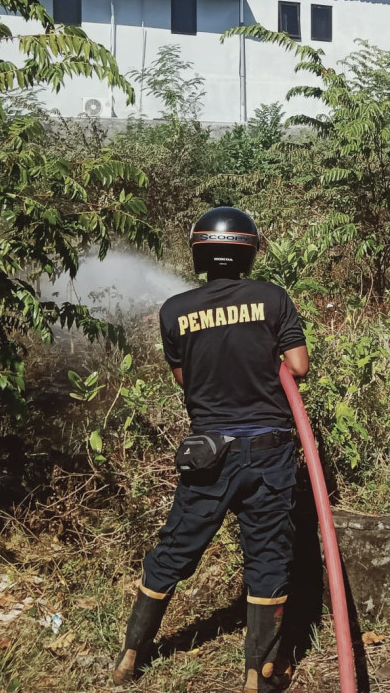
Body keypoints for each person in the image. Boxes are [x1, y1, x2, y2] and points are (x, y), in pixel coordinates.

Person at [113, 206, 310, 693]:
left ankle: (131, 655)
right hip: (268, 453)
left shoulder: (175, 310)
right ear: (250, 252)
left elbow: (185, 377)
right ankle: (258, 677)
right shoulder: (272, 298)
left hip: (208, 455)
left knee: (176, 546)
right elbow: (299, 367)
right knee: (266, 555)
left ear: (200, 253)